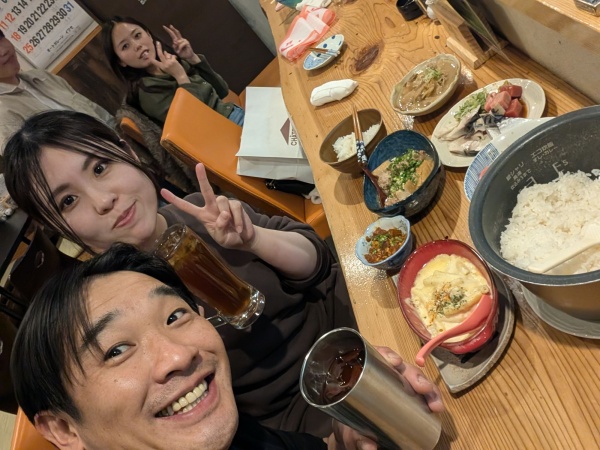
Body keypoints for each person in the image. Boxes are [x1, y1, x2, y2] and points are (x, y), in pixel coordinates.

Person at [4, 110, 351, 437]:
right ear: (56, 227)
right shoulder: (115, 310)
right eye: (68, 201)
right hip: (305, 412)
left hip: (347, 319)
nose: (103, 200)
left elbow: (318, 264)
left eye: (100, 167)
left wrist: (254, 240)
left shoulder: (200, 211)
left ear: (128, 152)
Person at [10, 244, 445, 450]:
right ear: (64, 429)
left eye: (175, 316)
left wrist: (354, 430)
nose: (179, 355)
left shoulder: (231, 434)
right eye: (117, 350)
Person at [102, 17, 244, 126]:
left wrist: (192, 58)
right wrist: (180, 76)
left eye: (137, 35)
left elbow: (222, 90)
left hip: (233, 113)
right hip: (222, 130)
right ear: (120, 61)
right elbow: (198, 122)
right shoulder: (147, 93)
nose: (137, 45)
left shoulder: (170, 61)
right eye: (125, 46)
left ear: (148, 34)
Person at [0, 30, 114, 153]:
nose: (3, 51)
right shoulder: (3, 114)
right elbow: (33, 162)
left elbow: (96, 111)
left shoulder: (41, 76)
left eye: (0, 39)